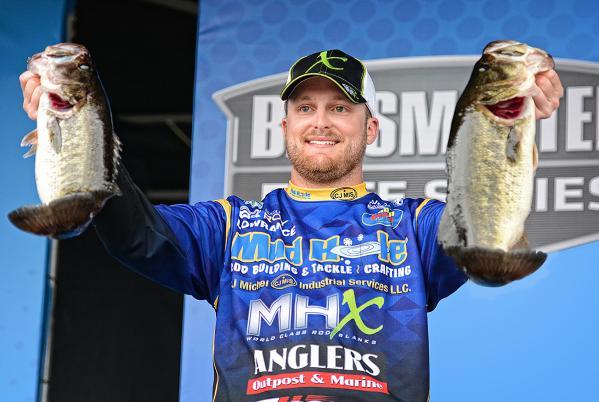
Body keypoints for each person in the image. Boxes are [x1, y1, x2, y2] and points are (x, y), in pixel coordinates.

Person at [20, 48, 563, 402]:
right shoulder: (229, 227)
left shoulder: (414, 227)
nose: (320, 122)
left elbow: (486, 248)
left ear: (370, 127)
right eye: (305, 107)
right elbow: (134, 236)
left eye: (340, 108)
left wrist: (512, 115)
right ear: (285, 125)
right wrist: (73, 124)